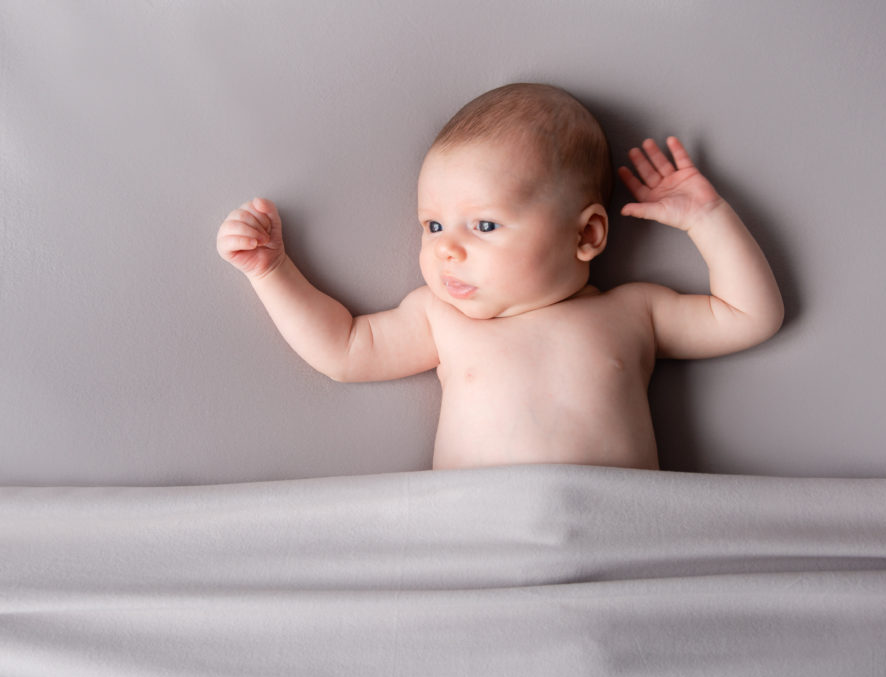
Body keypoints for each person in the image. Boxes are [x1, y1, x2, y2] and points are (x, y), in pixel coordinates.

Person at [216, 83, 783, 470]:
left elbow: (751, 317)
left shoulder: (633, 312)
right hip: (481, 531)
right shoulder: (441, 320)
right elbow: (343, 349)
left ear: (586, 236)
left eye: (484, 224)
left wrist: (707, 221)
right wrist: (272, 270)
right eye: (433, 225)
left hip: (613, 525)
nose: (447, 250)